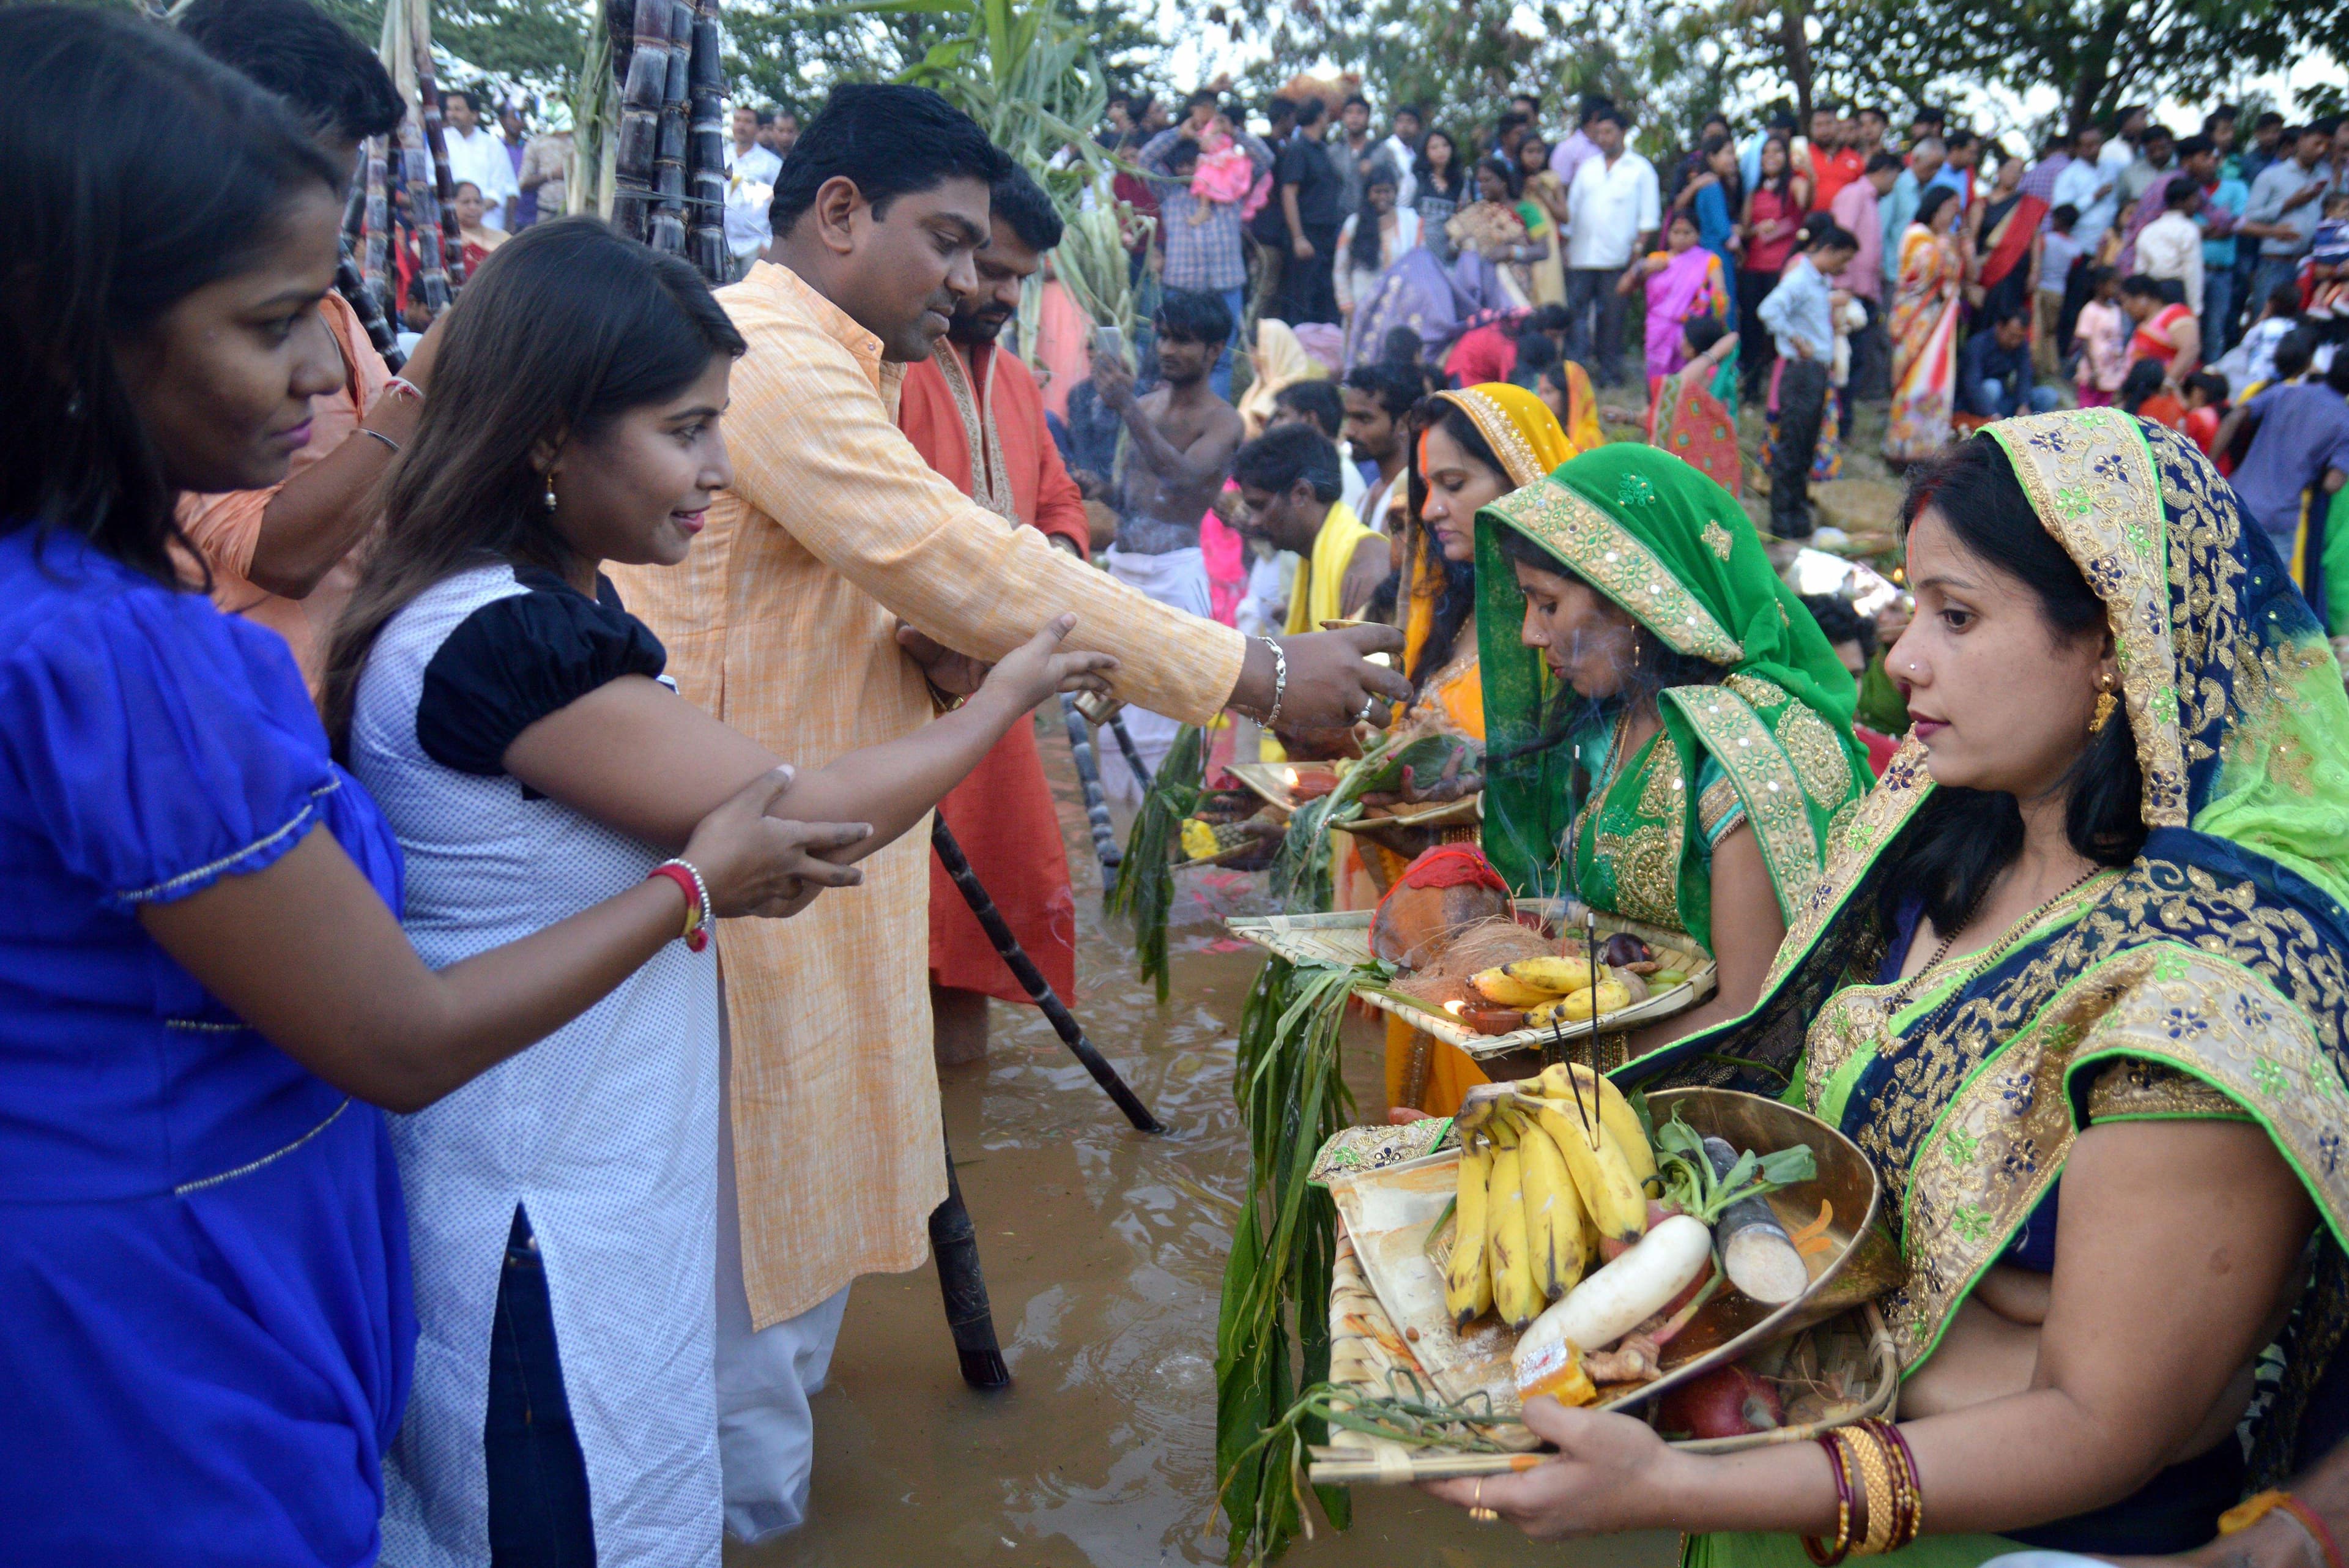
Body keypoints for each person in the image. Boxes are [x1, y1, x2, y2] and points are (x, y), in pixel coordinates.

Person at [0, 12, 852, 1558]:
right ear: (73, 332)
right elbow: (395, 1038)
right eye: (270, 326)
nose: (331, 373)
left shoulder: (88, 600)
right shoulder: (125, 659)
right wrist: (689, 886)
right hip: (169, 1301)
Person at [604, 84, 1409, 1537]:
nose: (972, 283)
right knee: (745, 1283)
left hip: (818, 857)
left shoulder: (838, 361)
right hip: (748, 878)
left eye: (987, 257)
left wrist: (924, 646)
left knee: (789, 1261)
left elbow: (939, 569)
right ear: (837, 212)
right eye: (949, 243)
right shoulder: (772, 360)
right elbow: (942, 549)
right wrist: (1254, 669)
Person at [1431, 414, 2349, 1568]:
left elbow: (2099, 1423)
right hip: (1777, 1447)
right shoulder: (1942, 831)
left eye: (1956, 616)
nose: (1902, 656)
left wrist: (1683, 1480)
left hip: (1996, 1532)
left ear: (2116, 645)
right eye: (1914, 607)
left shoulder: (2203, 998)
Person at [329, 217, 1110, 1565]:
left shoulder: (524, 610)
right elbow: (799, 817)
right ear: (549, 438)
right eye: (685, 431)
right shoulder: (501, 642)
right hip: (534, 1217)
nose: (715, 469)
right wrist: (1010, 696)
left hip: (578, 1184)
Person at [1475, 444, 1871, 1056]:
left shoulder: (1743, 745)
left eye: (1549, 604)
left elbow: (1750, 1011)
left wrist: (1577, 1069)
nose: (1530, 634)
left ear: (1635, 597)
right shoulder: (1623, 717)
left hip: (1714, 1100)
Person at [893, 168, 1093, 1067]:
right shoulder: (886, 368)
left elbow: (1058, 496)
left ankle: (963, 1137)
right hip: (897, 692)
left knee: (972, 939)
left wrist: (1063, 557)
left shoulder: (1014, 379)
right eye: (996, 269)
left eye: (1024, 278)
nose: (1005, 293)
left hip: (994, 700)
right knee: (900, 930)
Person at [173, 0, 417, 690]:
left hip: (344, 707)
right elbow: (275, 555)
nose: (328, 216)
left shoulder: (338, 306)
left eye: (338, 185)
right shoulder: (157, 323)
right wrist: (425, 391)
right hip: (238, 716)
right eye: (306, 182)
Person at [1382, 384, 1578, 1114]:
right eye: (1427, 486)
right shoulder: (1455, 611)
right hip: (1437, 923)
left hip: (1513, 944)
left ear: (1520, 482)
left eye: (1455, 484)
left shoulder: (1565, 637)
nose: (1430, 509)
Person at [1091, 286, 1248, 793]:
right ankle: (1119, 841)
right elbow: (1142, 499)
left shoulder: (1224, 420)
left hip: (1176, 578)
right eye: (1162, 337)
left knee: (1172, 715)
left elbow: (1182, 478)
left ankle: (1165, 845)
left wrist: (1126, 410)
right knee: (1114, 712)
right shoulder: (1149, 402)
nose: (1166, 350)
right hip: (1125, 573)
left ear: (1214, 352)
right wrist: (1104, 492)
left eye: (1182, 340)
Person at [1138, 108, 1272, 398]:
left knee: (1220, 360)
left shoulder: (1232, 194)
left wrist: (1234, 133)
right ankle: (1178, 417)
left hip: (1227, 287)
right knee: (1176, 357)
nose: (1192, 170)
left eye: (1197, 163)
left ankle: (1215, 424)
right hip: (1181, 288)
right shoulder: (1170, 194)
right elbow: (1146, 158)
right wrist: (1180, 133)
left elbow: (1265, 158)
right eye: (1186, 164)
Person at [1231, 425, 1386, 647]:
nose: (1254, 521)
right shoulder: (1315, 556)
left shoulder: (1363, 569)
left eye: (1260, 506)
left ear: (1302, 494)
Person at [1758, 221, 1860, 537]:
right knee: (1792, 446)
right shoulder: (1801, 279)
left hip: (1814, 371)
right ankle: (1783, 519)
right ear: (1828, 251)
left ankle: (1797, 514)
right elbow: (1769, 310)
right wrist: (1795, 338)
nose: (1844, 268)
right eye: (1843, 259)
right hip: (1802, 371)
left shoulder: (1819, 281)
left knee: (1804, 446)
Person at [2211, 349, 2349, 562]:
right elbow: (2333, 483)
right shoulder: (2345, 423)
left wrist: (2209, 464)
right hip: (2278, 520)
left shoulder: (2286, 392)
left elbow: (2234, 418)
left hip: (2235, 498)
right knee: (2265, 589)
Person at [1564, 105, 1660, 387]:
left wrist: (1636, 258)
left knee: (1612, 321)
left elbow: (1648, 219)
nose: (1603, 138)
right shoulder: (1588, 169)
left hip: (1618, 260)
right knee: (1577, 319)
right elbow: (1571, 212)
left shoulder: (1640, 170)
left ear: (1623, 133)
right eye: (1599, 133)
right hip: (1581, 257)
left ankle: (1610, 375)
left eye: (1609, 132)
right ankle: (1576, 376)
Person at [1887, 185, 1966, 463]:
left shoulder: (1933, 239)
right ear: (1935, 207)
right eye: (1949, 211)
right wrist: (1946, 250)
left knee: (1933, 381)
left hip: (1936, 322)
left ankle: (1924, 448)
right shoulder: (1918, 236)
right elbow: (1928, 272)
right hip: (1917, 321)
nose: (1951, 218)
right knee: (1914, 381)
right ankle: (1903, 448)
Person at [1624, 209, 1730, 389]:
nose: (1681, 238)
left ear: (1698, 234)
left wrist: (1718, 308)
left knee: (1688, 381)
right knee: (1657, 380)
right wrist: (1643, 267)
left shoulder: (1709, 260)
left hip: (1690, 332)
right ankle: (1655, 412)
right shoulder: (1657, 260)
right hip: (1658, 330)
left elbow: (1720, 294)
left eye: (1687, 233)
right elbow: (1623, 288)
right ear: (1668, 233)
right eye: (1676, 232)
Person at [1739, 135, 1811, 401]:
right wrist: (1756, 229)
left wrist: (1809, 171)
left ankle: (1783, 388)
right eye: (1766, 152)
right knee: (1752, 328)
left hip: (1781, 268)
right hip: (1754, 267)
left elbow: (1806, 203)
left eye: (1777, 151)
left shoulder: (1795, 184)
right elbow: (1745, 229)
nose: (1771, 156)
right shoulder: (1754, 192)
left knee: (1781, 327)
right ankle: (1752, 386)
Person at [2242, 125, 2337, 318]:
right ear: (2301, 140)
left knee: (2300, 323)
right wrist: (2289, 204)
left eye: (2327, 145)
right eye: (2317, 143)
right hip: (2275, 261)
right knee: (2265, 320)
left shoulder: (2326, 176)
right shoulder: (2271, 176)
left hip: (2310, 263)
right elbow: (2248, 219)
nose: (2322, 150)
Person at [1646, 314, 1743, 493]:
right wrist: (1627, 417)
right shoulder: (1719, 374)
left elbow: (1675, 385)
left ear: (1693, 347)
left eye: (1685, 338)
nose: (1681, 343)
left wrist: (1713, 354)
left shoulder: (1709, 377)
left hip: (1704, 466)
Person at [1833, 151, 1899, 396]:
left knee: (1856, 359)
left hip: (1863, 292)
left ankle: (1845, 420)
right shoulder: (1855, 195)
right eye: (1894, 179)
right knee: (1845, 360)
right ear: (1886, 172)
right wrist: (1845, 284)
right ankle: (1841, 419)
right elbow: (1840, 240)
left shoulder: (1870, 200)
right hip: (1848, 291)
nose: (1893, 186)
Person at [1274, 95, 1345, 325]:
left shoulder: (1323, 149)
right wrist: (1298, 237)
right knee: (1302, 299)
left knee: (1325, 299)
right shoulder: (1299, 149)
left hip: (1328, 235)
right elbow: (1289, 193)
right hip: (1308, 233)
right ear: (1319, 117)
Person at [1452, 157, 1543, 309]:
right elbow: (1451, 251)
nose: (1482, 186)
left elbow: (1543, 250)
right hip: (1481, 285)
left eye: (1487, 180)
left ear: (1503, 181)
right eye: (1479, 182)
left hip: (1515, 286)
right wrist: (1459, 243)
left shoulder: (1527, 210)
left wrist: (1511, 252)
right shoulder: (1475, 213)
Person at [1967, 151, 2046, 326]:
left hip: (2017, 276)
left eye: (2019, 171)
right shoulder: (1982, 204)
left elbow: (2035, 239)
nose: (2014, 174)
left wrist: (2035, 270)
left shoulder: (2028, 205)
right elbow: (1971, 240)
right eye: (2010, 169)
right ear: (1999, 171)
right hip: (1989, 269)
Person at [1341, 360, 1420, 529]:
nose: (1349, 431)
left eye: (1364, 419)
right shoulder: (1371, 493)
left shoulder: (1413, 494)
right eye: (1349, 418)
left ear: (1405, 423)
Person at [1334, 170, 1420, 323]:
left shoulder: (1411, 222)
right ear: (1368, 193)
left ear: (1396, 192)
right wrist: (1347, 306)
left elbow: (1421, 266)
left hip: (1401, 308)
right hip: (1361, 308)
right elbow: (1340, 270)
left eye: (1387, 191)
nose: (1383, 197)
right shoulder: (1354, 224)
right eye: (1377, 192)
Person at [1959, 302, 2061, 418]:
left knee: (2048, 395)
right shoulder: (1978, 344)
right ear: (2000, 327)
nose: (2015, 342)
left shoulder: (2021, 346)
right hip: (1979, 403)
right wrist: (1992, 414)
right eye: (2012, 336)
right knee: (1992, 387)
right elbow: (1972, 385)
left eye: (2020, 337)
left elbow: (2025, 375)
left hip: (2005, 400)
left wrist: (2023, 404)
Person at [439, 87, 518, 233]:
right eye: (449, 109)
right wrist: (459, 208)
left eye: (458, 109)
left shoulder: (493, 145)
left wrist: (474, 209)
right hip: (450, 222)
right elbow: (433, 182)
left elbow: (501, 189)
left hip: (489, 223)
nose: (451, 114)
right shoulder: (438, 141)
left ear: (474, 115)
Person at [724, 102, 785, 278]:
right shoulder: (720, 155)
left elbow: (782, 206)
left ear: (758, 128)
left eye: (748, 121)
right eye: (738, 120)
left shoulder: (771, 164)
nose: (741, 125)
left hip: (756, 246)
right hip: (723, 242)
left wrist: (769, 241)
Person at [2135, 174, 2208, 316]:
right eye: (2194, 199)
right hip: (2176, 290)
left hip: (2152, 292)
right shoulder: (2189, 229)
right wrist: (2195, 308)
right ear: (2181, 202)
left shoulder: (2148, 230)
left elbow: (2140, 269)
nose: (2197, 204)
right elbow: (2192, 271)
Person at [2122, 270, 2203, 384]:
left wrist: (2168, 383)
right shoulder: (2143, 325)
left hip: (2167, 394)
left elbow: (2191, 349)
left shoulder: (2175, 314)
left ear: (2143, 298)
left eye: (2127, 301)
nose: (2126, 308)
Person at [1883, 135, 1945, 281]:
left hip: (1914, 275)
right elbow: (1882, 227)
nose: (1935, 173)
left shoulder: (1927, 192)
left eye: (1939, 168)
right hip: (1891, 272)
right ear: (1916, 159)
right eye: (1932, 166)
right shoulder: (1896, 185)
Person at [2051, 124, 2118, 253]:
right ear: (2077, 148)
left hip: (2111, 247)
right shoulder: (2068, 176)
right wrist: (2093, 197)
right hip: (2082, 246)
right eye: (2089, 146)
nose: (2095, 149)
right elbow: (2061, 215)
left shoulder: (2112, 167)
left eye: (2097, 143)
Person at [2036, 203, 2084, 377]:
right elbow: (2074, 268)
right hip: (2059, 291)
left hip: (2041, 288)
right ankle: (2052, 367)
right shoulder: (2075, 248)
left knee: (2039, 328)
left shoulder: (2045, 239)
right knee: (2051, 332)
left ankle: (2038, 366)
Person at [2073, 264, 2129, 406]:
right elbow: (2084, 342)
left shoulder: (2116, 310)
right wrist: (2093, 371)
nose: (2117, 289)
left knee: (2103, 413)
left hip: (2110, 371)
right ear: (2100, 286)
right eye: (2113, 285)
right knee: (2086, 412)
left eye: (2119, 285)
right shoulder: (2090, 310)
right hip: (2093, 372)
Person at [1411, 127, 1468, 261]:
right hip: (1420, 252)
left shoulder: (1460, 183)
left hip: (1450, 253)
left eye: (1445, 145)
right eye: (1434, 147)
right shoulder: (1417, 180)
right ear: (1426, 152)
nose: (1441, 151)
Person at [518, 121, 573, 229]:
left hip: (579, 214)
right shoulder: (538, 142)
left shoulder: (582, 140)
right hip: (546, 214)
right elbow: (522, 183)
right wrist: (552, 175)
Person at [448, 179, 505, 273]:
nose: (473, 207)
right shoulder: (439, 239)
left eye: (478, 202)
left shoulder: (504, 239)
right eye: (466, 202)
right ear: (450, 205)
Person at [2180, 368, 2228, 456]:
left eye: (2185, 397)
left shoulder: (2197, 416)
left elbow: (2183, 449)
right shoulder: (2227, 408)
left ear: (2197, 393)